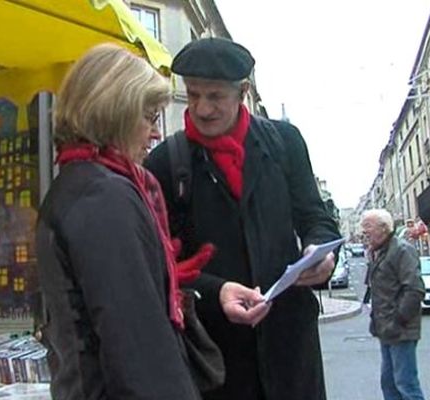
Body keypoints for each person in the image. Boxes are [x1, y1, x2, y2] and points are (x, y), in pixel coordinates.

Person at [145, 37, 341, 400]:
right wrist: (215, 291)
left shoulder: (285, 142)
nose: (202, 109)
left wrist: (322, 252)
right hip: (215, 355)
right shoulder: (165, 163)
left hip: (290, 347)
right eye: (192, 95)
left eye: (215, 96)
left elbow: (315, 216)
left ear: (243, 92)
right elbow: (160, 262)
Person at [35, 43, 206, 400]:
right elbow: (138, 345)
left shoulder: (77, 184)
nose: (155, 134)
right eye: (148, 117)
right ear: (115, 112)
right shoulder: (104, 196)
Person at [360, 209, 426, 400]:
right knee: (389, 383)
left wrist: (397, 321)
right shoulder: (379, 251)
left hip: (400, 330)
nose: (364, 232)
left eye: (368, 226)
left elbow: (414, 290)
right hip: (387, 329)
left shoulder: (402, 250)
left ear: (384, 228)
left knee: (406, 385)